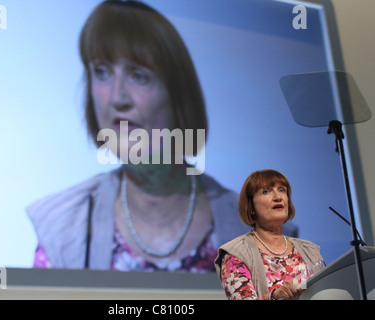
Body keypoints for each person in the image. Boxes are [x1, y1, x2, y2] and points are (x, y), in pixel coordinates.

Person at [27, 1, 297, 272]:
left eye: (138, 75)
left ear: (177, 95)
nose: (117, 98)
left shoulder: (260, 231)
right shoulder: (61, 230)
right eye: (102, 72)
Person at [214, 169, 324, 299]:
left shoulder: (309, 250)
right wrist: (275, 296)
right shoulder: (236, 253)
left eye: (282, 190)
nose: (278, 197)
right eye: (266, 191)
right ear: (251, 207)